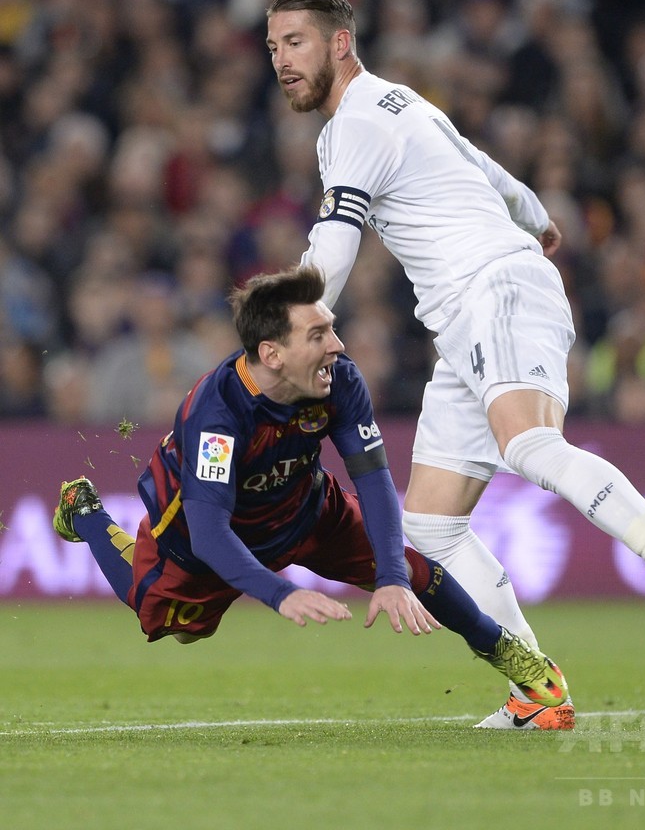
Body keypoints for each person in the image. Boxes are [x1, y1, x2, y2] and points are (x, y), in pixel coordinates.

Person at [265, 0, 645, 730]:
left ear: (340, 42)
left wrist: (289, 324)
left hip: (494, 288)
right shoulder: (402, 105)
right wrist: (536, 216)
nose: (281, 60)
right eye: (272, 47)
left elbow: (334, 245)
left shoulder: (356, 123)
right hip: (466, 319)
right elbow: (483, 167)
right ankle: (536, 690)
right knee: (429, 527)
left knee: (529, 445)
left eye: (295, 42)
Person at [53, 265, 568, 725]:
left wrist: (390, 575)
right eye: (318, 335)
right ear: (272, 353)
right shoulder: (217, 415)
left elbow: (372, 477)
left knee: (410, 571)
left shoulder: (337, 379)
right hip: (202, 533)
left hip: (308, 510)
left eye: (332, 329)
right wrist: (281, 593)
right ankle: (86, 512)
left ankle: (523, 667)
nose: (337, 345)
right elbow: (209, 531)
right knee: (180, 628)